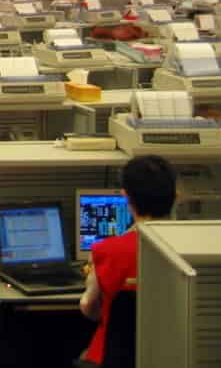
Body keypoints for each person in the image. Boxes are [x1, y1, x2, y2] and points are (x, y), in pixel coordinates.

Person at [79, 154, 177, 366]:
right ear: (175, 196)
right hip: (177, 355)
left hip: (113, 357)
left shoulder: (106, 251)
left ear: (126, 196)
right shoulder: (193, 249)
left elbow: (89, 306)